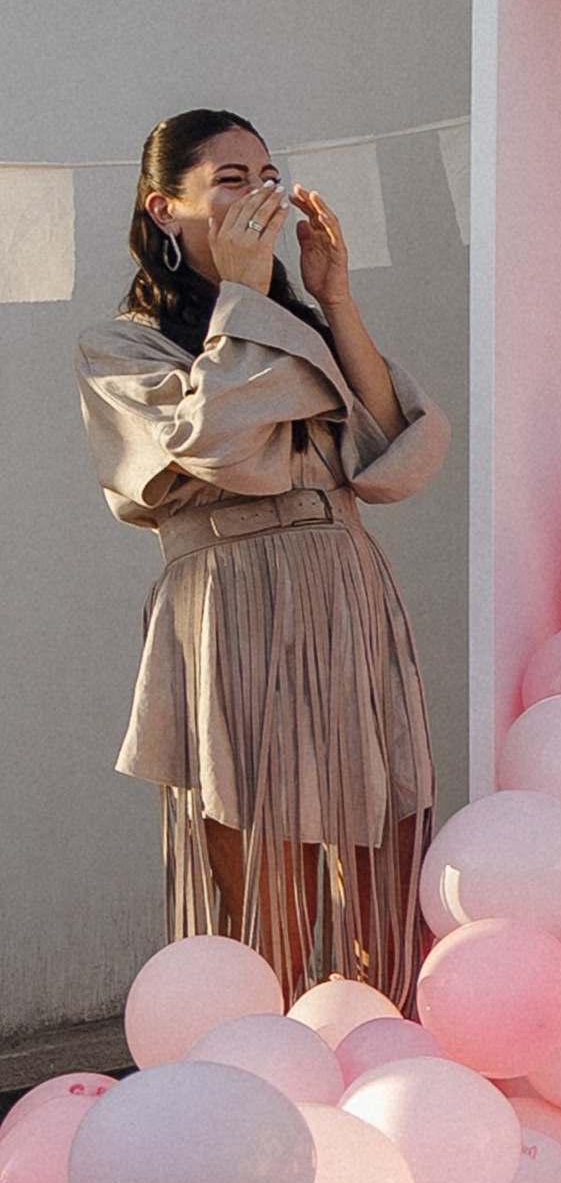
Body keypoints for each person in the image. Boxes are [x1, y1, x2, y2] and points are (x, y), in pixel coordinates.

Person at [78, 109, 449, 1009]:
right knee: (263, 872)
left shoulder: (298, 323)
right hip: (231, 598)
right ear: (168, 209)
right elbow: (217, 448)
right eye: (231, 178)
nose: (260, 193)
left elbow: (394, 449)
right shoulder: (121, 345)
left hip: (343, 580)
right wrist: (245, 296)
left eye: (266, 172)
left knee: (382, 843)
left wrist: (337, 300)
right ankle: (259, 1060)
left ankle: (382, 1042)